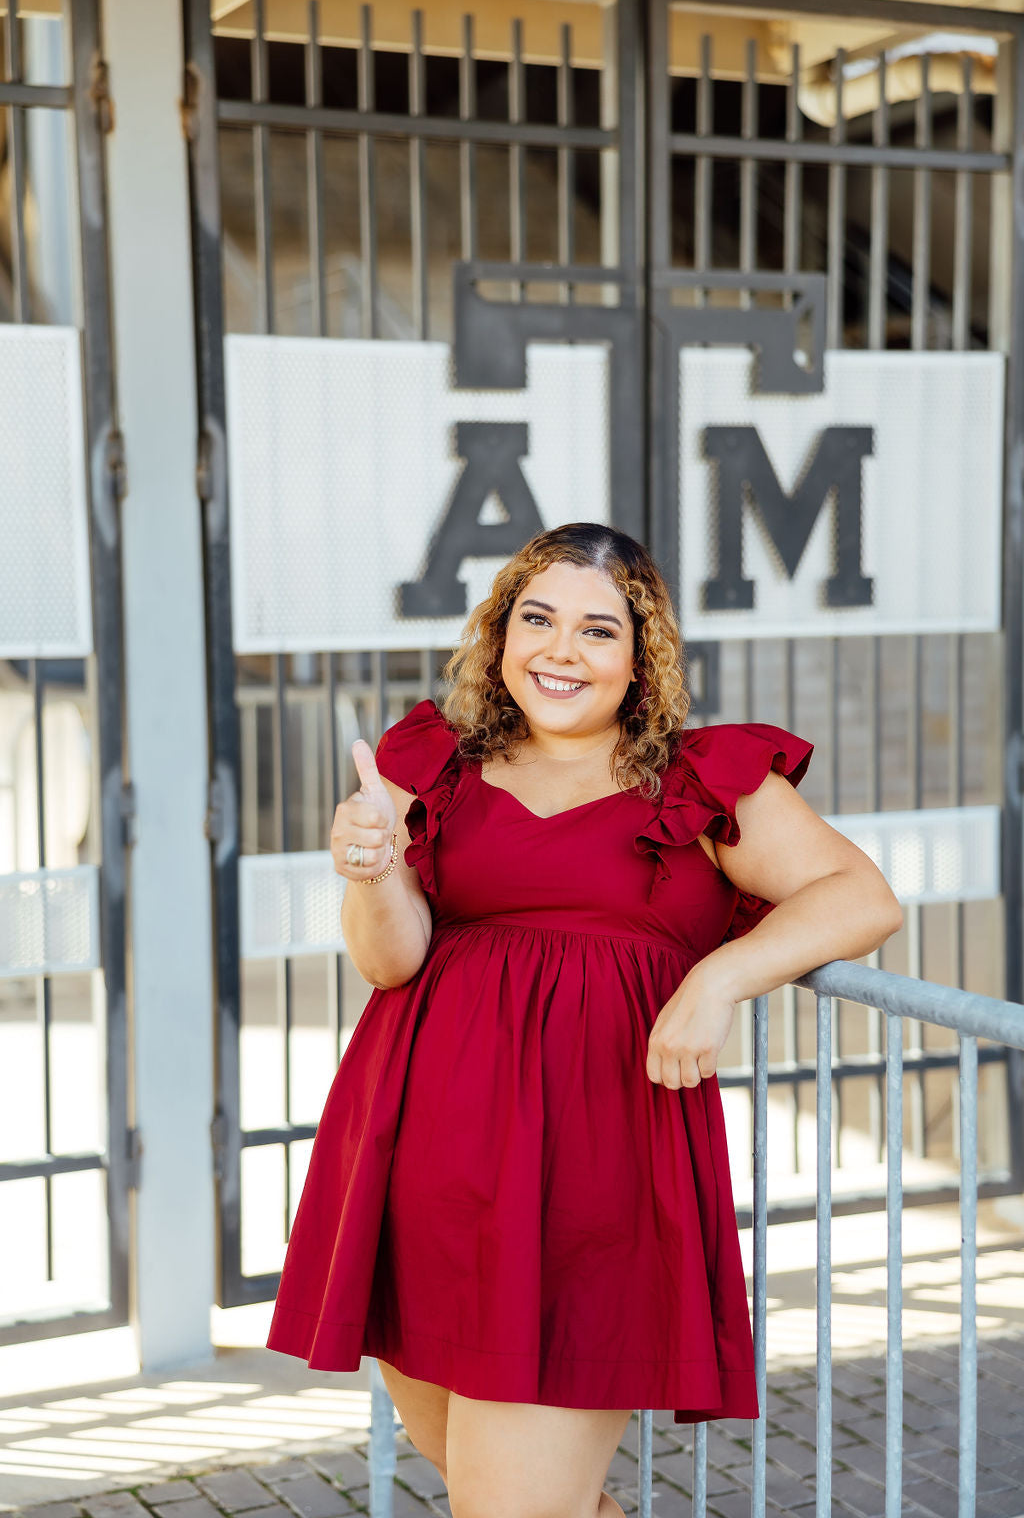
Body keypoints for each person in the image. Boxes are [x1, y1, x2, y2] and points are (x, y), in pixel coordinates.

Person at [266, 522, 903, 1518]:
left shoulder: (702, 779)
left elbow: (860, 898)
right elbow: (389, 960)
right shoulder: (430, 760)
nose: (560, 651)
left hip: (594, 1174)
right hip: (424, 1166)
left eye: (598, 631)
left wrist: (719, 978)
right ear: (500, 633)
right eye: (537, 619)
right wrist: (371, 864)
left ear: (641, 658)